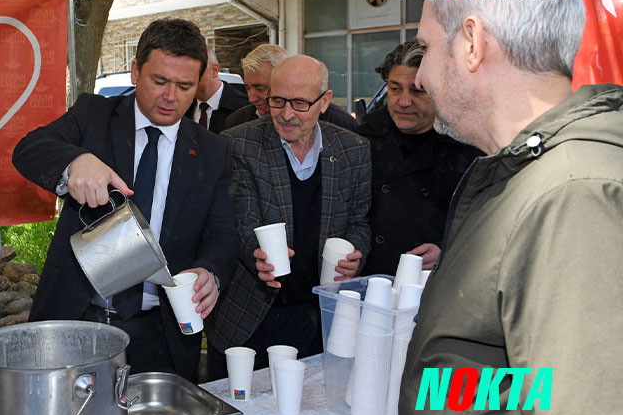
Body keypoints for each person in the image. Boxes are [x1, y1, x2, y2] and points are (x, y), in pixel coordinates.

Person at [398, 0, 623, 415]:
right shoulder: (527, 174)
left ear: (472, 44)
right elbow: (527, 380)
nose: (420, 77)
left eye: (426, 48)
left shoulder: (570, 195)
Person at [13, 18, 239, 381]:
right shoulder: (95, 115)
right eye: (159, 81)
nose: (170, 96)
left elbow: (224, 233)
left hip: (161, 332)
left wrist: (210, 271)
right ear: (135, 71)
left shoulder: (213, 151)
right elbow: (29, 149)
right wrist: (76, 161)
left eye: (185, 86)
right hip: (78, 318)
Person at [206, 55, 370, 376]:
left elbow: (359, 221)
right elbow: (241, 220)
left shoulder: (353, 149)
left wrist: (355, 254)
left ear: (325, 102)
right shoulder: (239, 143)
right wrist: (256, 254)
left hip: (319, 318)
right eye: (278, 100)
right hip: (249, 318)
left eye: (300, 103)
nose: (286, 114)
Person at [355, 41, 480, 275]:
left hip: (432, 283)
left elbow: (484, 223)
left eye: (417, 90)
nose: (404, 102)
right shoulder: (364, 138)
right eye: (395, 89)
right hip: (370, 281)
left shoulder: (469, 147)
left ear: (441, 89)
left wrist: (446, 250)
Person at [224, 44, 358, 131]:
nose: (251, 98)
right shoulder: (236, 123)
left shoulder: (339, 123)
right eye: (247, 88)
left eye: (260, 88)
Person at [184, 47, 248, 134]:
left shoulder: (243, 107)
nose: (186, 81)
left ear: (214, 70)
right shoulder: (182, 105)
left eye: (193, 74)